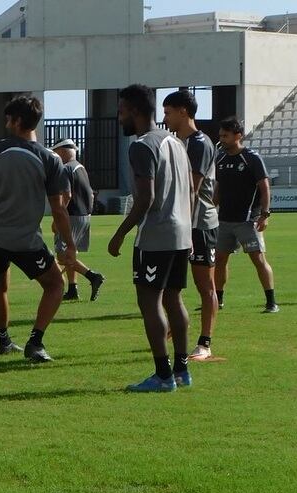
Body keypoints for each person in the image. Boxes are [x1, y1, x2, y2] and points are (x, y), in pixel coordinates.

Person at [0, 95, 75, 363]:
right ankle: (36, 342)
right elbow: (59, 208)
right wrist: (70, 244)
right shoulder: (50, 159)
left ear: (17, 121)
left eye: (8, 118)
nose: (6, 123)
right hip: (24, 239)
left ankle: (3, 340)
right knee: (54, 285)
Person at [108, 84, 192, 392]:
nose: (119, 118)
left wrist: (119, 234)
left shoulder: (142, 145)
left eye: (120, 111)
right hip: (182, 233)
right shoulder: (177, 142)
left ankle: (163, 375)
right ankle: (182, 371)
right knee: (174, 298)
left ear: (134, 110)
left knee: (149, 301)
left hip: (156, 236)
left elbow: (146, 198)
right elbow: (191, 192)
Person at [161, 90, 220, 360]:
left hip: (199, 225)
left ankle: (205, 344)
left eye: (168, 112)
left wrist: (184, 228)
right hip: (180, 224)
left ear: (183, 111)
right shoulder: (175, 142)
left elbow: (192, 191)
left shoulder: (199, 143)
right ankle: (175, 327)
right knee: (169, 286)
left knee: (204, 285)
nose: (165, 118)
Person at [213, 117, 279, 314]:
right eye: (220, 136)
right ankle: (219, 300)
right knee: (220, 260)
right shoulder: (221, 159)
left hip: (248, 220)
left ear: (238, 136)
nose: (222, 139)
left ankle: (271, 302)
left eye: (225, 136)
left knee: (258, 260)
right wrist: (210, 209)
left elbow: (265, 187)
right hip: (224, 220)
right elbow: (219, 189)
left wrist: (265, 215)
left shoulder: (251, 157)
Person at [49, 138, 105, 302]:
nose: (56, 156)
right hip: (84, 216)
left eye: (56, 152)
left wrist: (58, 217)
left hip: (71, 216)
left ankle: (93, 276)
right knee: (70, 252)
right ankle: (73, 289)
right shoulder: (80, 168)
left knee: (62, 255)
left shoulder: (65, 169)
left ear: (63, 151)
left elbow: (67, 195)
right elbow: (91, 194)